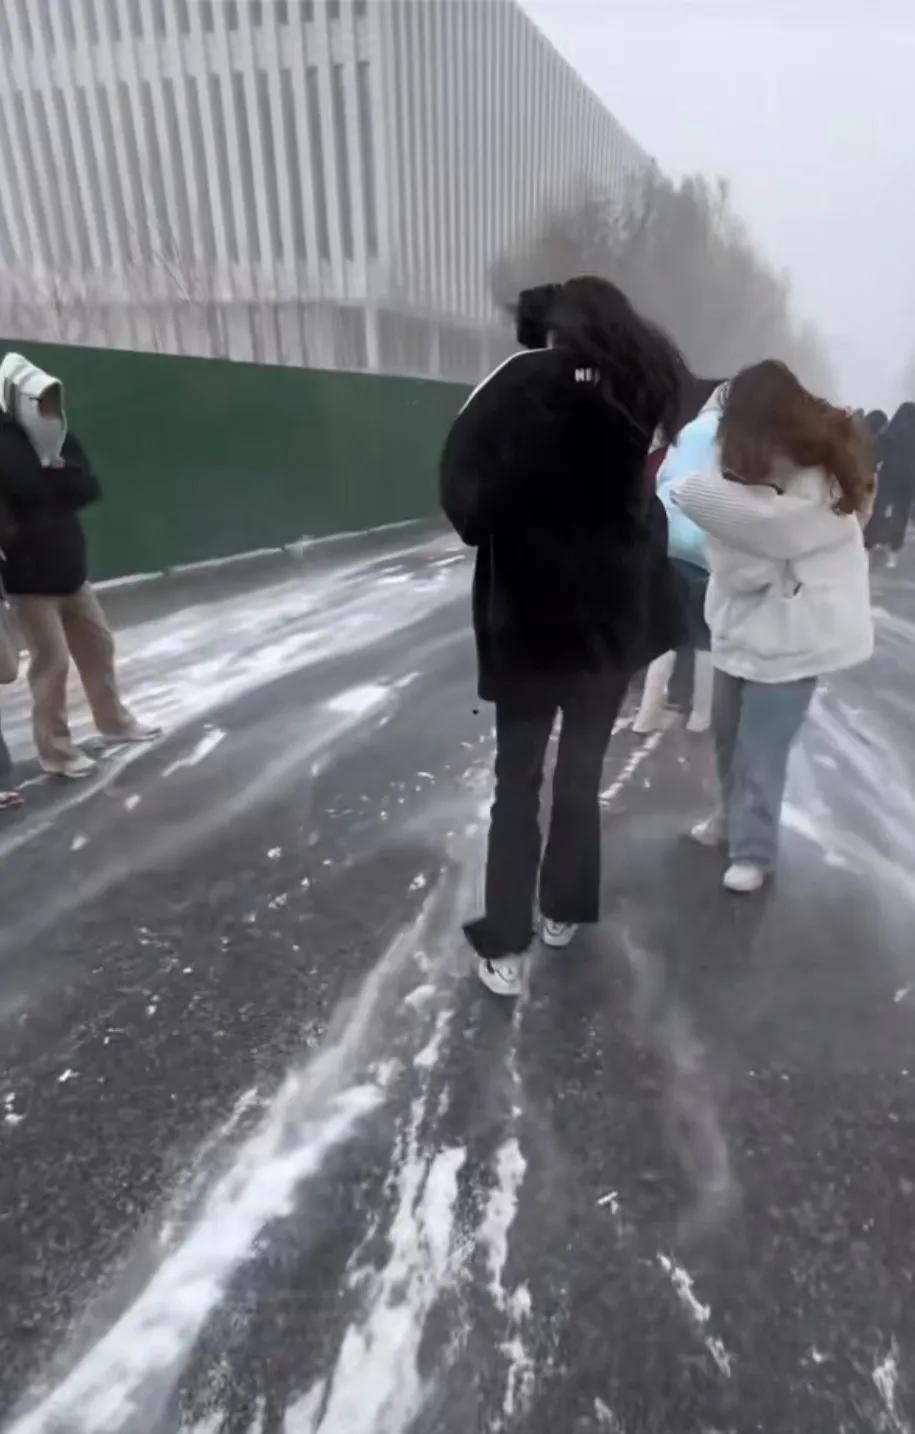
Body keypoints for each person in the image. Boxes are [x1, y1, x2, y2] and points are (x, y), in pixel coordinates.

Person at [441, 276, 685, 996]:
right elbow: (648, 497)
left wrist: (502, 519)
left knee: (515, 781)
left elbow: (463, 498)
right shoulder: (647, 386)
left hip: (526, 620)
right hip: (608, 622)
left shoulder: (515, 385)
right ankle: (564, 909)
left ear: (551, 326)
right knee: (580, 773)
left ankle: (506, 944)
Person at [671, 360, 874, 893]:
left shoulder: (819, 478)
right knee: (727, 739)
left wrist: (744, 534)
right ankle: (728, 820)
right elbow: (737, 560)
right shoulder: (732, 459)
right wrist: (744, 538)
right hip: (737, 626)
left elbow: (765, 544)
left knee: (761, 750)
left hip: (794, 636)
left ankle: (753, 852)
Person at [0, 352, 159, 779]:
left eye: (54, 401)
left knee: (99, 647)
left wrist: (52, 478)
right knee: (51, 666)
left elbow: (86, 486)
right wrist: (51, 484)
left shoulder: (62, 437)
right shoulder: (5, 442)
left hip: (71, 569)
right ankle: (56, 751)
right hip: (30, 582)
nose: (50, 411)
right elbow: (24, 492)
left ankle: (115, 722)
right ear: (20, 400)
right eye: (42, 402)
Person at [634, 378, 727, 734]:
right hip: (707, 543)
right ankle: (700, 718)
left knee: (664, 630)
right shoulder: (732, 437)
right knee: (704, 634)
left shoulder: (688, 431)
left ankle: (647, 715)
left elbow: (661, 476)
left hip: (670, 535)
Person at [867, 402, 915, 565]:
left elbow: (877, 453)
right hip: (908, 482)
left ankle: (870, 542)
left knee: (878, 509)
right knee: (901, 514)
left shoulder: (891, 432)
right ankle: (894, 549)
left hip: (888, 477)